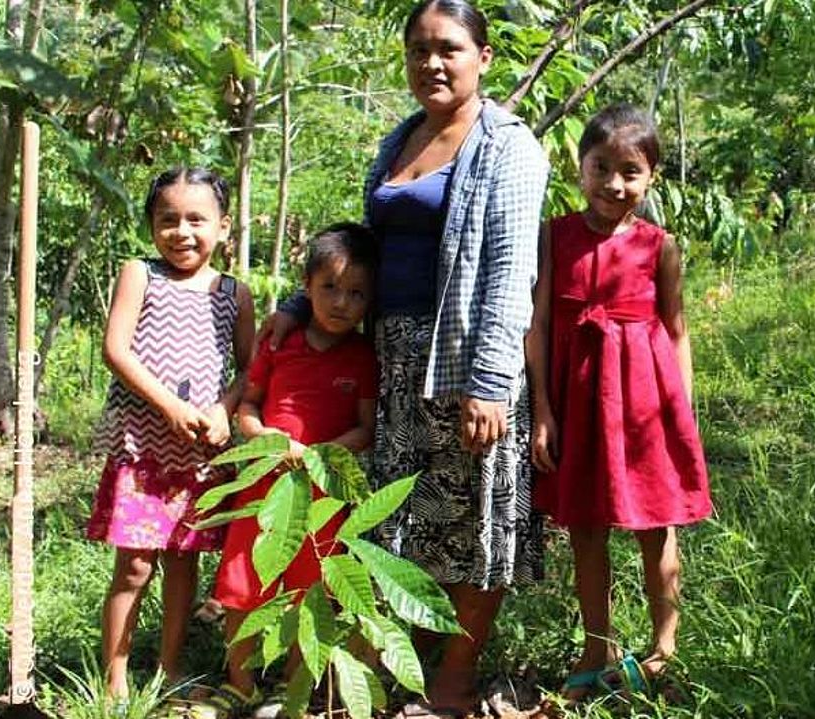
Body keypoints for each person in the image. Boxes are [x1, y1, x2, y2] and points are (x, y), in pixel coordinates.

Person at [263, 1, 549, 714]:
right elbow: (362, 247)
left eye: (449, 48)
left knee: (476, 522)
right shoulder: (400, 140)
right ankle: (381, 666)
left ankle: (452, 678)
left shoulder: (507, 145)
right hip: (391, 366)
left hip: (465, 363)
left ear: (483, 57)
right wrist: (301, 305)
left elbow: (513, 270)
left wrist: (488, 381)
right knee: (398, 519)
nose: (432, 62)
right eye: (419, 49)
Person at [525, 103, 712, 699]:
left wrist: (681, 414)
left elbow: (677, 332)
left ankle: (664, 649)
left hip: (644, 408)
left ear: (652, 176)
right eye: (600, 167)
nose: (614, 183)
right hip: (578, 406)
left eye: (631, 171)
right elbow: (538, 325)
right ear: (578, 168)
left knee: (656, 528)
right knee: (586, 529)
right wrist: (544, 412)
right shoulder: (554, 237)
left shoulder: (661, 245)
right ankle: (594, 647)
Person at [190, 223, 379, 719]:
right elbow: (248, 405)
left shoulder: (363, 356)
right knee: (241, 584)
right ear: (307, 285)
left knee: (308, 590)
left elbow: (366, 429)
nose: (342, 303)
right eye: (330, 288)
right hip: (265, 488)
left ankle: (289, 688)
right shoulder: (279, 342)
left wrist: (318, 454)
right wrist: (266, 438)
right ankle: (241, 683)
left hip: (324, 495)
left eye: (357, 294)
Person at [86, 167, 256, 699]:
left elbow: (252, 369)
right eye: (168, 220)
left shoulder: (235, 293)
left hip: (201, 452)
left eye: (196, 220)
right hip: (143, 444)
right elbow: (116, 350)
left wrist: (223, 410)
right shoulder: (141, 274)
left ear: (224, 228)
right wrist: (170, 407)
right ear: (152, 226)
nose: (182, 232)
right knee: (135, 564)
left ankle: (168, 668)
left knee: (184, 559)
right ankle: (114, 679)